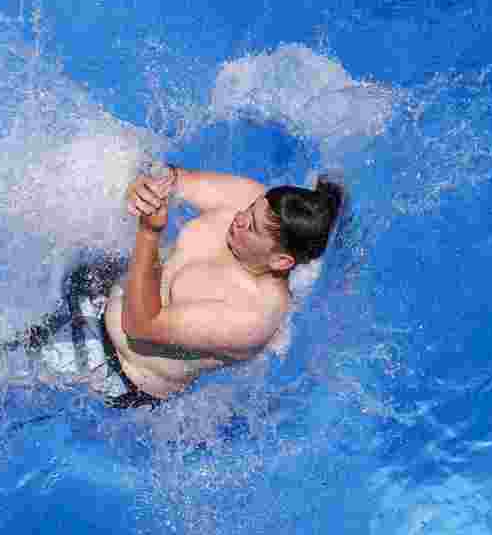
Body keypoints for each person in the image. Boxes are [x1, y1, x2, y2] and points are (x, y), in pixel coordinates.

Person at [97, 166, 344, 407]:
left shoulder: (252, 317)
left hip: (114, 368)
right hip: (107, 285)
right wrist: (147, 189)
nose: (239, 219)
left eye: (252, 228)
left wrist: (149, 232)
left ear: (280, 261)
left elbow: (141, 326)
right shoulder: (253, 201)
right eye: (249, 210)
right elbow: (172, 177)